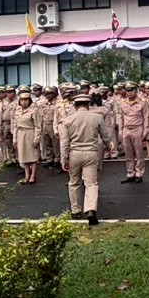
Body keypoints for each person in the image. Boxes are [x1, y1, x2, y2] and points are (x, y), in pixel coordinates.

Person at [59, 91, 105, 225]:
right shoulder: (96, 117)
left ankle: (76, 209)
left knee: (74, 182)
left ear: (75, 105)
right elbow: (105, 135)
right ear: (88, 105)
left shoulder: (68, 120)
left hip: (75, 153)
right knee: (91, 183)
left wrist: (64, 160)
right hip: (91, 153)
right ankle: (91, 209)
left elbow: (64, 143)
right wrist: (109, 145)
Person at [117, 82, 149, 182]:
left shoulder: (143, 102)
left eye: (131, 90)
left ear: (136, 90)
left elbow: (146, 117)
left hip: (137, 128)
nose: (129, 92)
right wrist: (120, 131)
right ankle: (130, 173)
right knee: (128, 154)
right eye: (127, 90)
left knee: (139, 153)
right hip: (126, 129)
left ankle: (139, 174)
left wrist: (145, 130)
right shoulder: (123, 103)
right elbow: (121, 117)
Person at [14, 89, 42, 184]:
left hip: (30, 133)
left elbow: (38, 125)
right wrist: (15, 138)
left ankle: (33, 175)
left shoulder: (34, 111)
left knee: (32, 156)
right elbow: (15, 125)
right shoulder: (17, 111)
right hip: (20, 134)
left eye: (26, 100)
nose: (24, 102)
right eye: (22, 100)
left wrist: (36, 138)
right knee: (23, 156)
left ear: (29, 101)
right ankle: (27, 175)